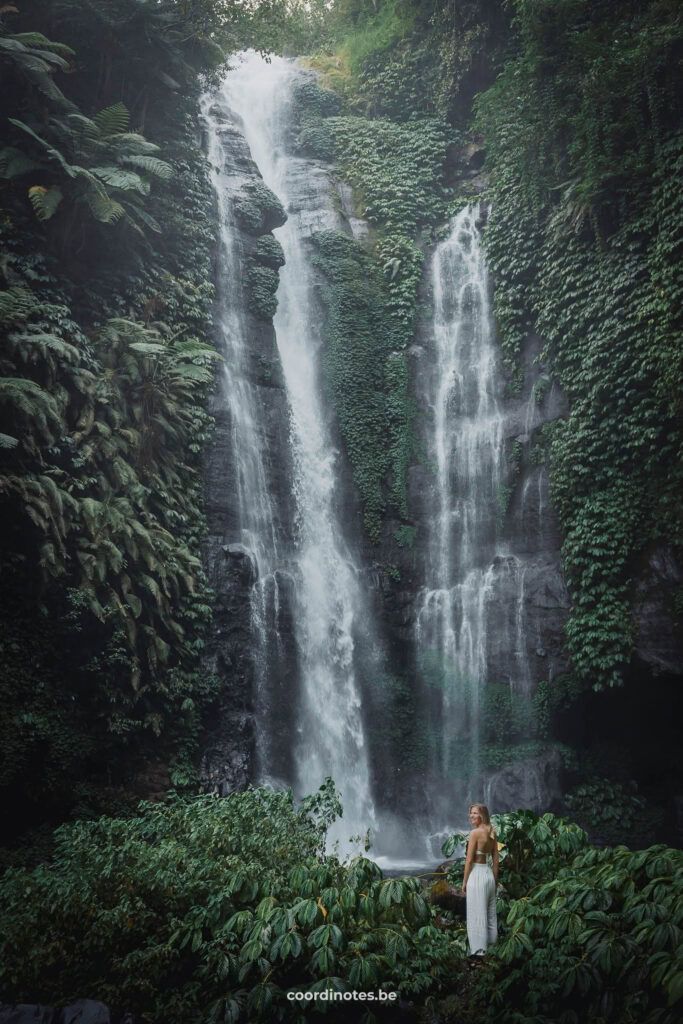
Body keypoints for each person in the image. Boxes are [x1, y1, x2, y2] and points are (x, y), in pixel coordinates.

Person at [462, 802, 498, 956]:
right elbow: (496, 860)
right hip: (488, 875)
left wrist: (464, 882)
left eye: (475, 813)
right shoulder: (492, 831)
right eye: (470, 813)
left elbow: (469, 860)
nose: (471, 815)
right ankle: (492, 946)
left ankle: (478, 952)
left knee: (476, 914)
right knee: (490, 912)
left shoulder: (475, 833)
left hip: (476, 874)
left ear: (482, 815)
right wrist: (494, 881)